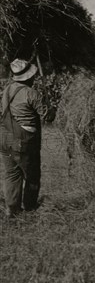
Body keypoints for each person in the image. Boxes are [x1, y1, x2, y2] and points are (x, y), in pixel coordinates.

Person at [1, 59, 53, 218]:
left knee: (12, 173)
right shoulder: (31, 93)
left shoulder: (7, 89)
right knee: (31, 175)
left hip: (5, 139)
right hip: (23, 142)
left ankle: (12, 209)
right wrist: (49, 104)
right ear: (28, 77)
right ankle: (30, 207)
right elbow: (48, 116)